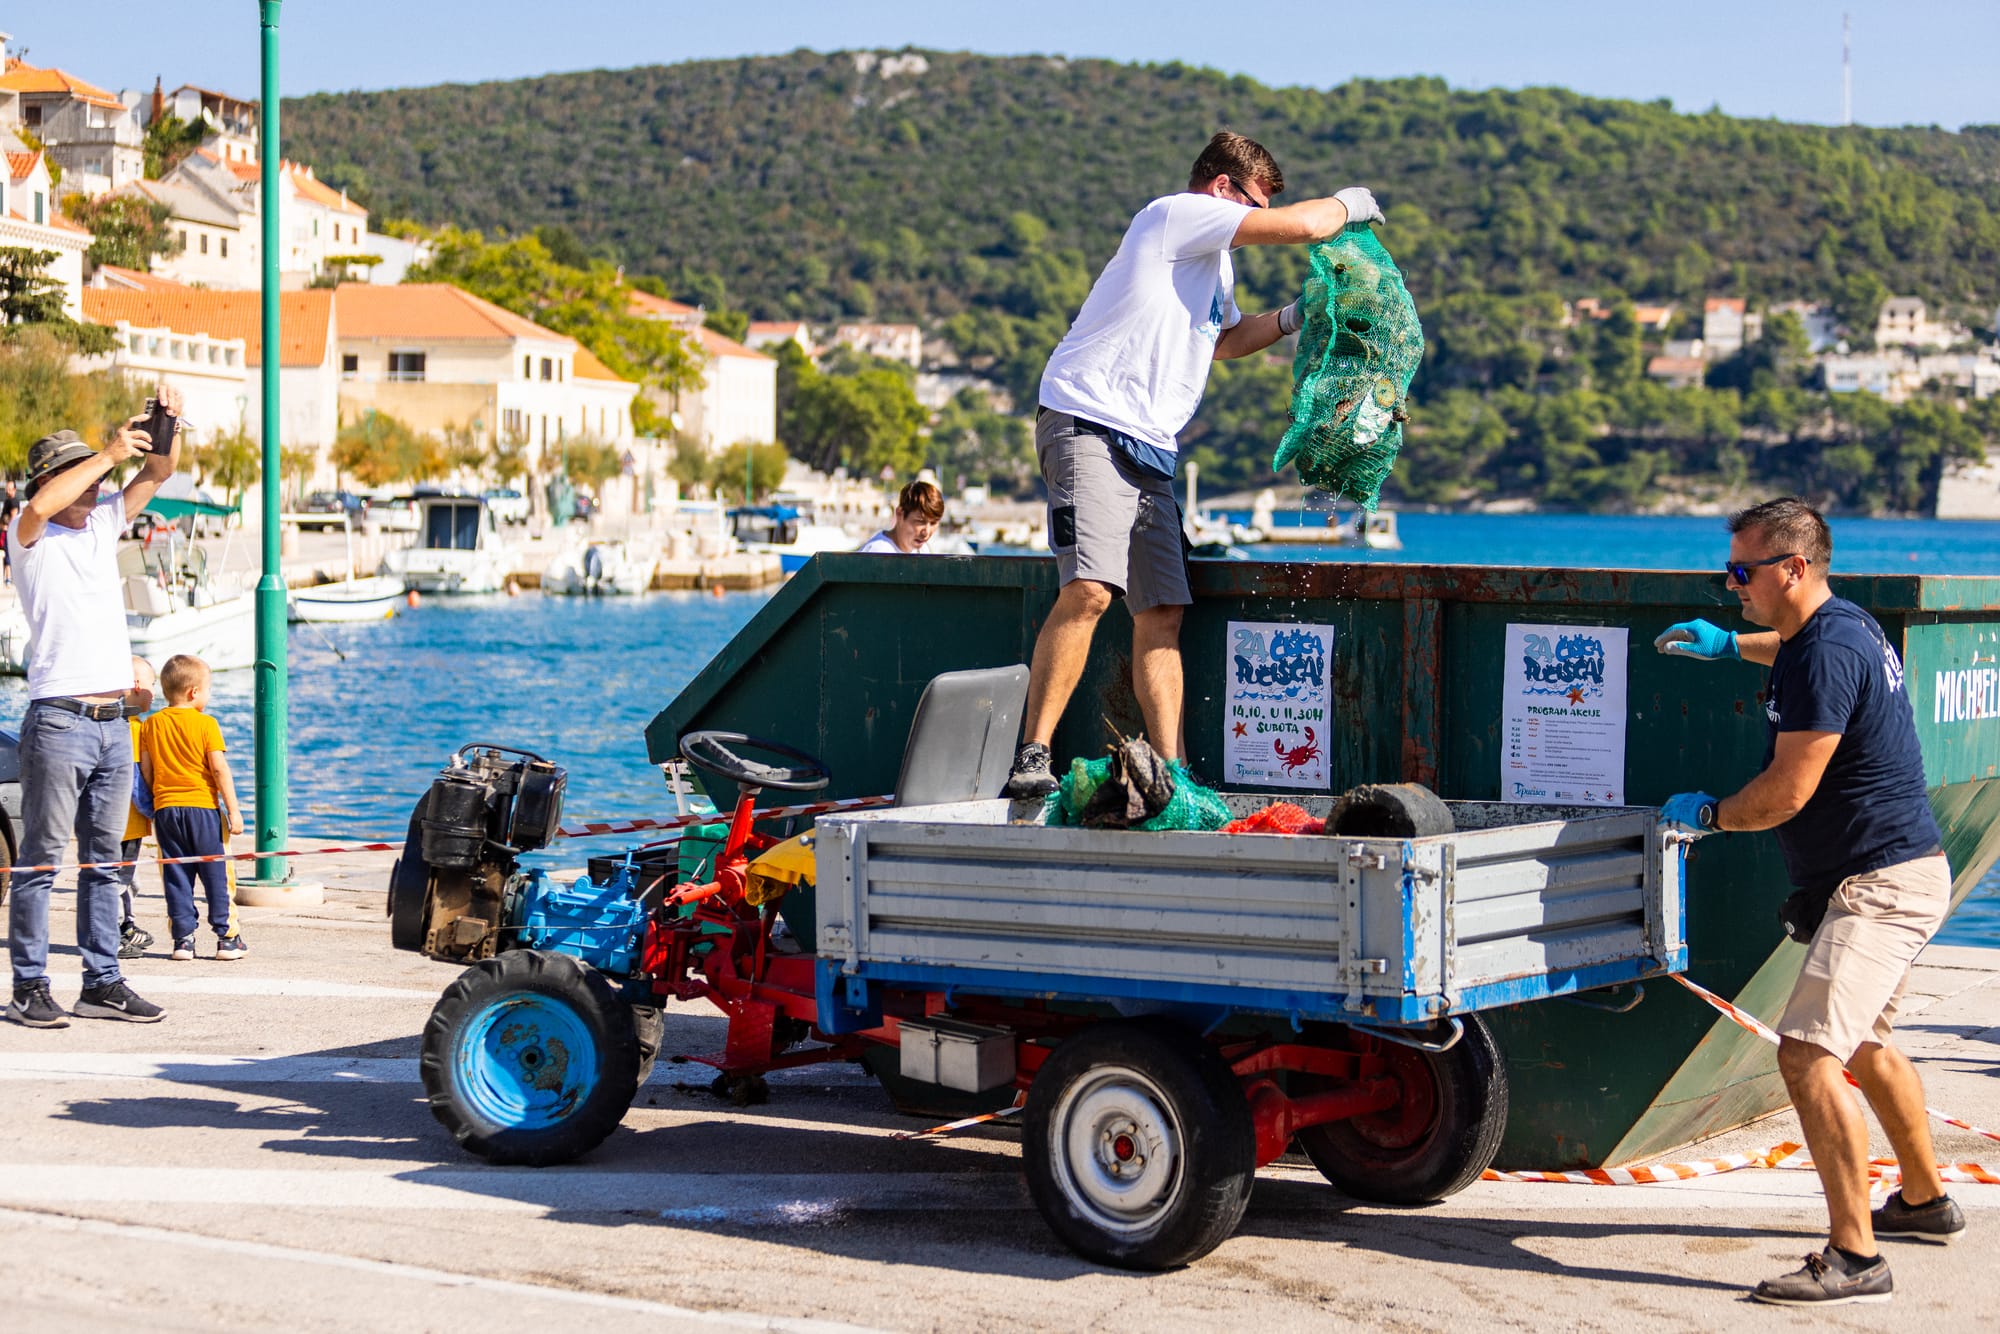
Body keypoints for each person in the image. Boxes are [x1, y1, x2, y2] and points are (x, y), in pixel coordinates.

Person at [1004, 132, 1382, 796]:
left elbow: (1225, 340)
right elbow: (1303, 226)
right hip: (1088, 418)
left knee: (1162, 612)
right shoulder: (1173, 215)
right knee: (1091, 590)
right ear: (1221, 188)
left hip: (1152, 445)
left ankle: (1173, 776)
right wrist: (1352, 203)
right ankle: (1033, 755)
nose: (1258, 220)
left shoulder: (1217, 266)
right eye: (1254, 205)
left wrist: (1295, 316)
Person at [1656, 496, 1961, 1306]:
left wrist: (1711, 815)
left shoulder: (1823, 651)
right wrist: (1730, 647)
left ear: (1792, 568)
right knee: (1863, 1045)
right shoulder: (1838, 626)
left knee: (1805, 1055)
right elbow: (1793, 651)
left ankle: (1856, 1257)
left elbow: (1787, 793)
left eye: (1741, 571)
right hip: (1898, 871)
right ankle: (1926, 1201)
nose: (1730, 585)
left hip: (1878, 888)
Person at [6, 391, 182, 1027]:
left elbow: (159, 471)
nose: (96, 486)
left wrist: (166, 424)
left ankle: (101, 982)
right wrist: (106, 453)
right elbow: (38, 506)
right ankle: (29, 986)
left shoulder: (104, 523)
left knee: (107, 865)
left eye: (97, 476)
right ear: (52, 480)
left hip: (114, 725)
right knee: (41, 861)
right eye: (81, 475)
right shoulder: (29, 535)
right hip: (59, 720)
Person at [143, 654, 247, 962]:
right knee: (217, 875)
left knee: (176, 874)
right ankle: (227, 938)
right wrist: (234, 810)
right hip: (203, 809)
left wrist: (157, 799)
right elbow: (219, 769)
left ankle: (183, 940)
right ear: (194, 692)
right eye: (209, 689)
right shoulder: (206, 724)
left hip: (166, 811)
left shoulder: (151, 725)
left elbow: (147, 770)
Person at [118, 655, 159, 959]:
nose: (154, 693)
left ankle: (127, 925)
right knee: (120, 878)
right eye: (151, 684)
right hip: (127, 823)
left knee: (125, 879)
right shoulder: (133, 729)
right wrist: (155, 811)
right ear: (135, 685)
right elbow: (136, 780)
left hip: (114, 822)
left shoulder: (115, 723)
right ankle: (116, 932)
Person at [857, 480, 944, 554]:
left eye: (933, 523)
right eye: (920, 522)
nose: (926, 532)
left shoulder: (923, 550)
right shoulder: (878, 553)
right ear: (900, 514)